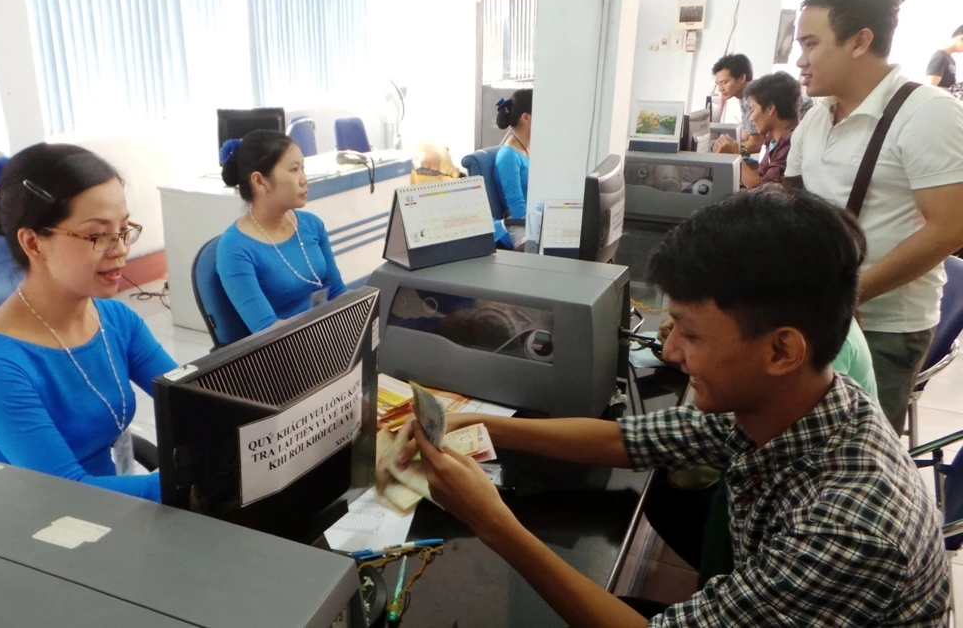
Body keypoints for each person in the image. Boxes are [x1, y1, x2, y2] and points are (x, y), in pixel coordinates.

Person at [400, 187, 951, 626]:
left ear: (781, 350)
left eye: (691, 333)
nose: (669, 351)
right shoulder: (801, 403)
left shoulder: (849, 533)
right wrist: (482, 424)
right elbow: (629, 440)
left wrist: (494, 523)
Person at [785, 0, 963, 435]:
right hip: (817, 314)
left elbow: (950, 228)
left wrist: (851, 294)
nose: (799, 60)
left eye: (810, 44)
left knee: (856, 457)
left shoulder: (927, 113)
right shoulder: (816, 117)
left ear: (860, 41)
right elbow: (789, 210)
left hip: (884, 327)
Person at [0, 144, 176, 502]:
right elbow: (65, 490)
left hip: (110, 508)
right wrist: (192, 482)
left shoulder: (117, 320)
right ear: (33, 243)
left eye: (124, 228)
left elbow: (190, 399)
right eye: (97, 235)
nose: (120, 248)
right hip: (33, 523)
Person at [217, 130, 346, 334]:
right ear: (259, 181)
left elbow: (339, 293)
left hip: (327, 335)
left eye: (303, 168)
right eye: (294, 170)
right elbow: (267, 331)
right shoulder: (234, 249)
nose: (304, 179)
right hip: (283, 347)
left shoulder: (312, 225)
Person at [714, 71, 803, 188]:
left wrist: (735, 157)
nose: (751, 118)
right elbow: (761, 175)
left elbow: (763, 189)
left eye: (752, 110)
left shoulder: (791, 142)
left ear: (770, 108)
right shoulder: (774, 140)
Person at [493, 88, 532, 249]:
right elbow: (516, 206)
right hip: (520, 224)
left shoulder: (529, 149)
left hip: (534, 219)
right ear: (526, 118)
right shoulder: (508, 156)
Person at [710, 54, 763, 156]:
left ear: (742, 78)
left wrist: (728, 150)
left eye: (725, 82)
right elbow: (746, 136)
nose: (720, 89)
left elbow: (755, 144)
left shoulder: (753, 97)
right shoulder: (744, 96)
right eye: (718, 84)